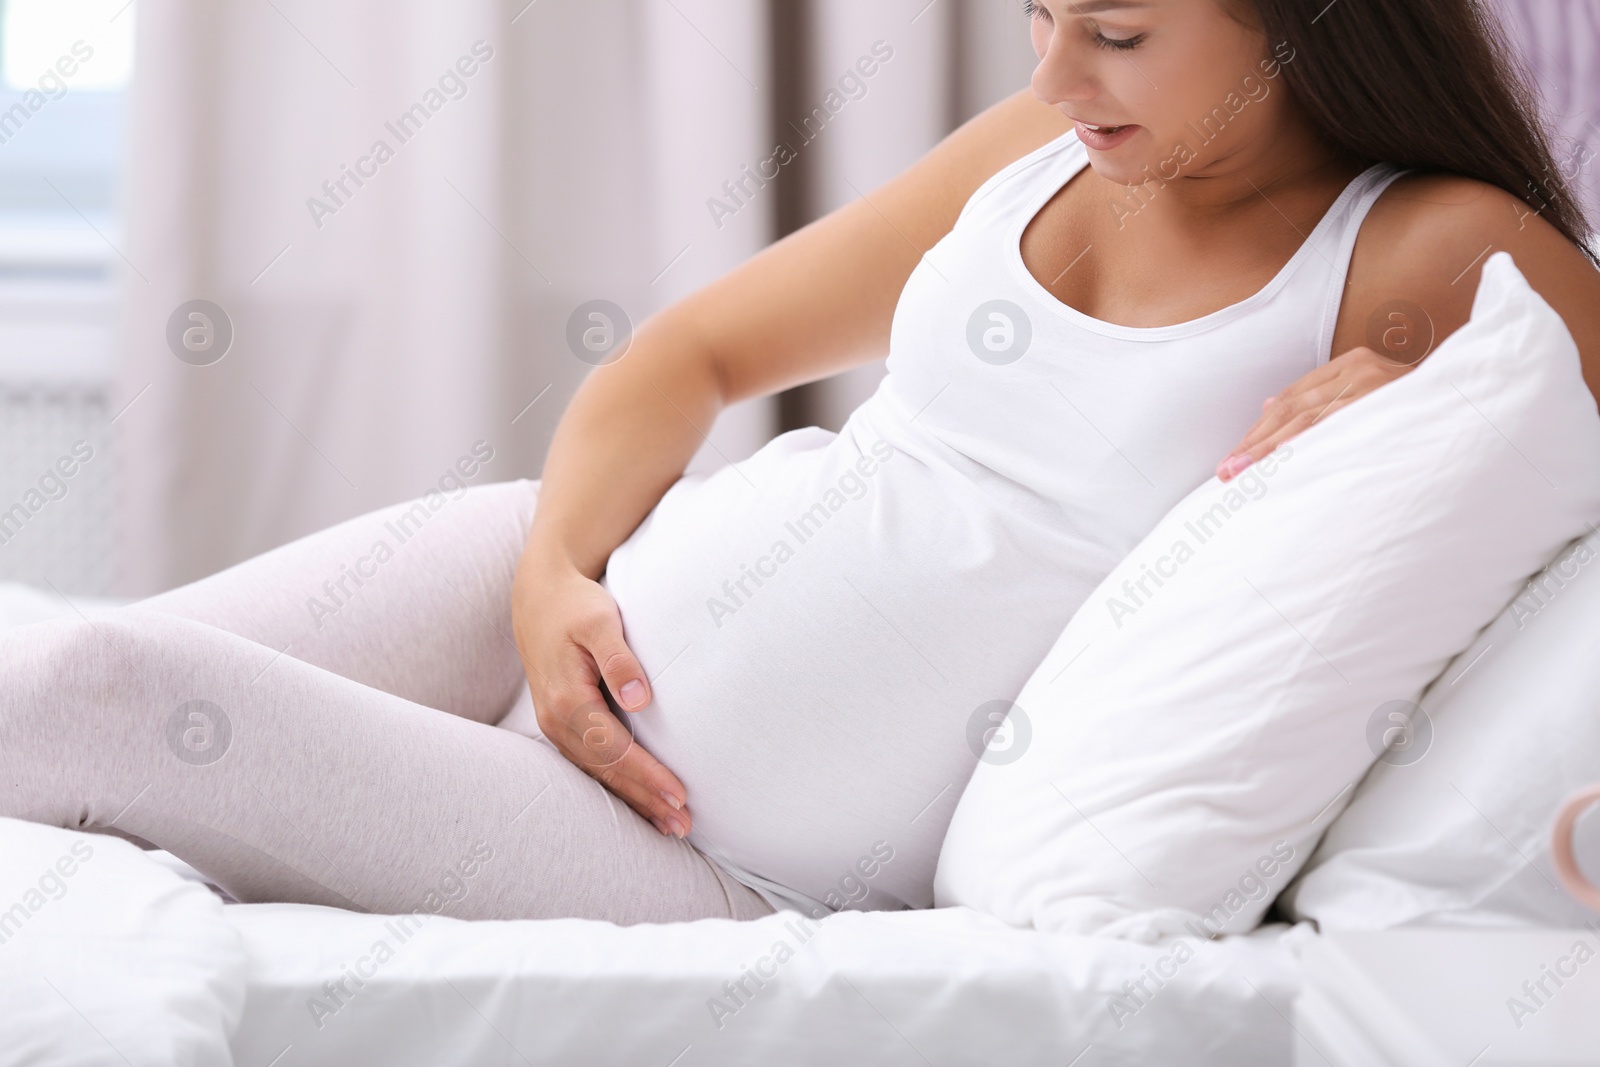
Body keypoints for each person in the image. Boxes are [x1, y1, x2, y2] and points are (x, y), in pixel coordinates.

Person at [5, 0, 1598, 924]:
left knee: (86, 694)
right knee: (30, 683)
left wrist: (1415, 385)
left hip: (698, 845)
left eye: (1115, 31)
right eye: (1038, 13)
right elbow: (687, 352)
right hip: (563, 593)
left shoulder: (1423, 246)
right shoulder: (1046, 148)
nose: (1053, 75)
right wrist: (558, 572)